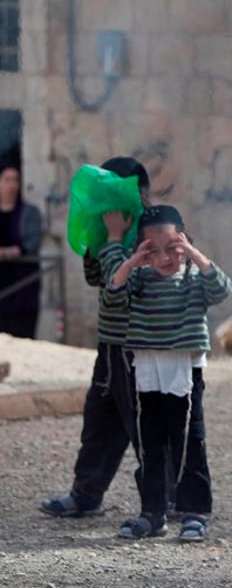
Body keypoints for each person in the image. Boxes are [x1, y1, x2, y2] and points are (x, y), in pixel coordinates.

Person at [102, 205, 231, 541]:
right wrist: (132, 263)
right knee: (150, 443)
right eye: (153, 250)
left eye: (171, 247)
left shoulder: (193, 278)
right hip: (147, 369)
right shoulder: (140, 279)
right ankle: (153, 512)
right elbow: (112, 295)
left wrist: (192, 253)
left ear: (184, 243)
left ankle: (194, 512)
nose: (164, 258)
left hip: (184, 369)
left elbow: (222, 290)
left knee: (189, 441)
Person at [41, 157, 151, 518]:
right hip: (110, 343)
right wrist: (99, 239)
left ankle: (169, 501)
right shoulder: (112, 231)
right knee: (99, 422)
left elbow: (126, 285)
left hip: (141, 347)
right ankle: (86, 494)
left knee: (147, 426)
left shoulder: (156, 231)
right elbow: (97, 277)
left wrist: (117, 240)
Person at [0, 164, 42, 339]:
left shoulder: (30, 213)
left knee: (22, 334)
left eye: (16, 179)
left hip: (23, 287)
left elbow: (31, 244)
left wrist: (5, 253)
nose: (12, 185)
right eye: (7, 179)